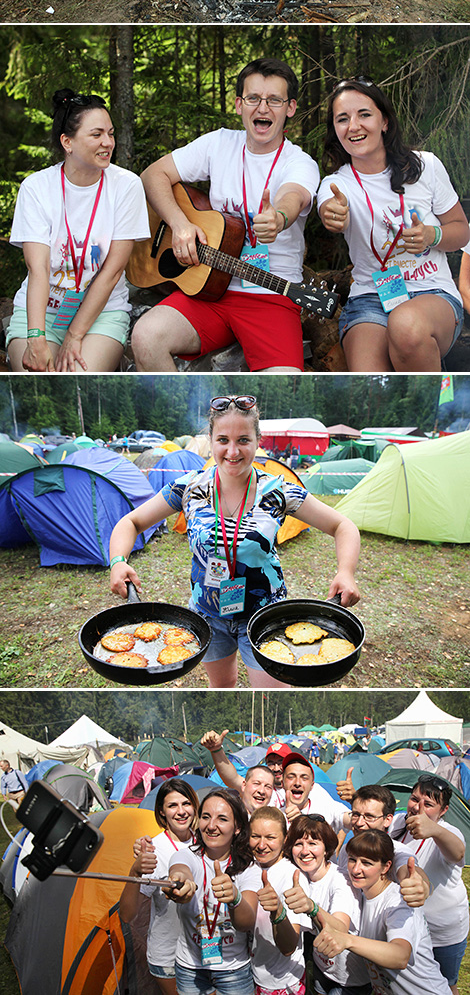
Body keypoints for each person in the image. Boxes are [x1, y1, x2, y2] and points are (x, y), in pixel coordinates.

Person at [109, 394, 360, 689]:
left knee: (270, 695)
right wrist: (118, 561)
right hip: (206, 615)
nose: (232, 451)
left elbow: (343, 526)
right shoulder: (189, 487)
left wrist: (346, 571)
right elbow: (131, 522)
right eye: (223, 440)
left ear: (257, 441)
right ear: (211, 441)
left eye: (243, 440)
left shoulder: (278, 490)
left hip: (266, 618)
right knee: (223, 688)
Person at [131, 55, 321, 374]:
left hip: (272, 296)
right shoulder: (219, 144)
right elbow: (153, 175)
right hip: (209, 290)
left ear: (290, 108)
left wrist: (279, 218)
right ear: (238, 104)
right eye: (253, 98)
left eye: (274, 100)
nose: (263, 108)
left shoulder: (300, 163)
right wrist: (179, 225)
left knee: (284, 378)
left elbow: (295, 196)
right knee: (146, 336)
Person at [317, 78, 468, 372]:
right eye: (343, 119)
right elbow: (329, 209)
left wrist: (431, 235)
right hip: (370, 300)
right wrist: (332, 213)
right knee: (365, 379)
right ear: (335, 130)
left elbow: (461, 229)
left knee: (406, 325)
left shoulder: (425, 166)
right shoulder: (336, 184)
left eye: (364, 114)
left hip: (432, 294)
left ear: (384, 121)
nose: (354, 126)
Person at [7, 87, 150, 374]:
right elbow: (39, 269)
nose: (108, 142)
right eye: (96, 135)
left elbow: (112, 272)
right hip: (42, 313)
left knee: (78, 378)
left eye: (110, 133)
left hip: (101, 313)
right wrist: (36, 338)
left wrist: (75, 334)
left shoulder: (126, 186)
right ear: (67, 142)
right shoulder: (36, 188)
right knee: (38, 381)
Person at [313, 831, 453, 994]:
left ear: (386, 867)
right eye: (352, 860)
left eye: (367, 863)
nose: (356, 869)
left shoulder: (397, 902)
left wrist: (348, 940)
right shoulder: (362, 895)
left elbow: (400, 956)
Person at [162, 789, 258, 995]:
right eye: (206, 817)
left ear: (238, 828)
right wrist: (180, 883)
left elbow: (246, 922)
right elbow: (180, 870)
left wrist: (235, 898)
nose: (211, 826)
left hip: (234, 970)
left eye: (222, 819)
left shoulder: (249, 868)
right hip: (190, 969)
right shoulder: (186, 856)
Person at [387, 777, 469, 995]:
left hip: (442, 930)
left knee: (445, 984)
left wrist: (435, 830)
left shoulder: (449, 832)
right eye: (415, 799)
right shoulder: (398, 822)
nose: (418, 807)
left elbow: (458, 851)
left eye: (429, 804)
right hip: (406, 923)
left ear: (444, 810)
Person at [119, 776, 199, 994]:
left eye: (186, 803)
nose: (181, 811)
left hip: (203, 952)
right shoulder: (153, 849)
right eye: (172, 805)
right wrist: (135, 871)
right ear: (162, 811)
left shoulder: (206, 841)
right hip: (168, 955)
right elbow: (127, 915)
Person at [283, 813, 363, 995]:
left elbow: (340, 929)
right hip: (322, 968)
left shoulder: (340, 881)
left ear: (326, 849)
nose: (304, 851)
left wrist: (312, 907)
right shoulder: (300, 876)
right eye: (298, 844)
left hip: (348, 979)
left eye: (313, 843)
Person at [245, 806, 312, 995]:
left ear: (285, 838)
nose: (261, 844)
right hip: (253, 973)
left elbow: (289, 946)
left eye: (270, 837)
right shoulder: (251, 866)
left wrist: (278, 912)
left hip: (282, 982)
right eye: (255, 836)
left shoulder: (292, 876)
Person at [200, 734, 275, 813]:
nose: (262, 791)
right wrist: (216, 750)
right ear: (243, 785)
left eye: (268, 787)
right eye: (256, 783)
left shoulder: (278, 815)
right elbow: (232, 777)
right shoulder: (236, 818)